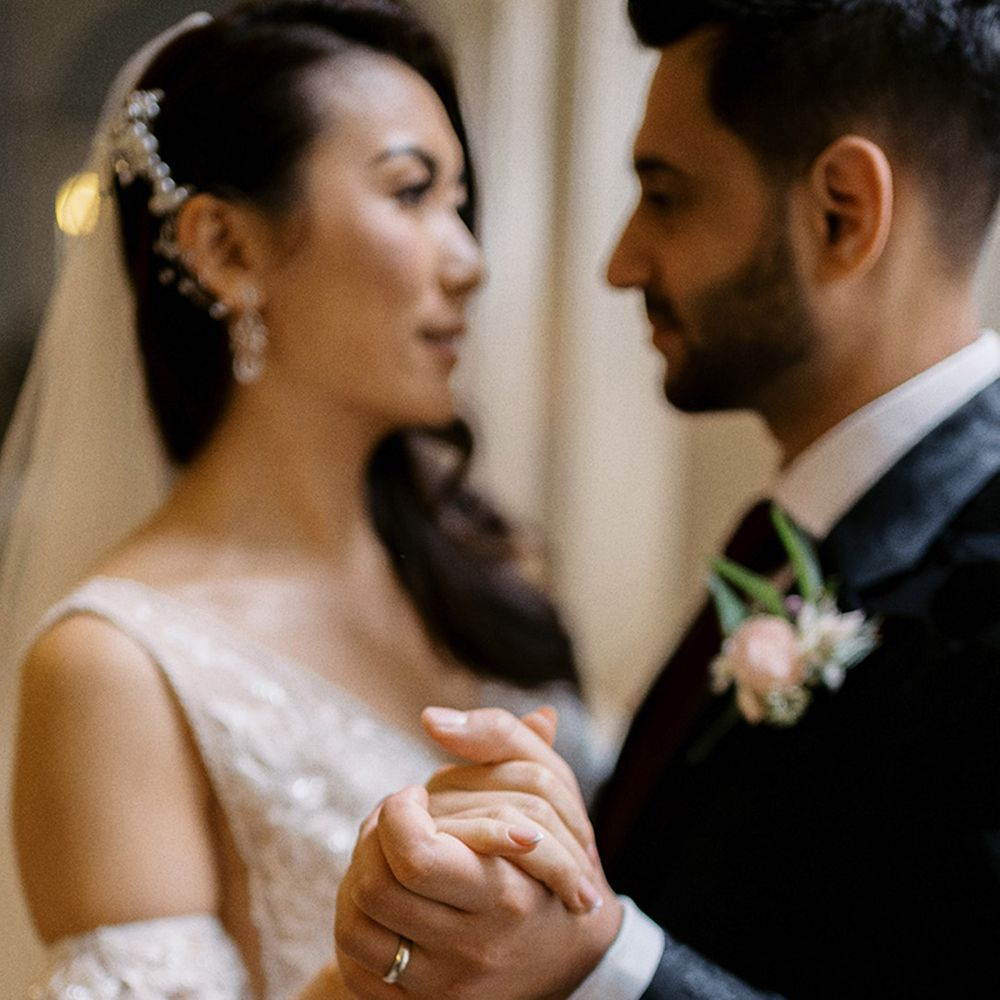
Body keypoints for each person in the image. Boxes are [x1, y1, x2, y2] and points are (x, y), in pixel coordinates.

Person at [333, 1, 1000, 997]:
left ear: (841, 213)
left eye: (666, 195)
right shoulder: (792, 541)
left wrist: (601, 966)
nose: (621, 261)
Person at [0, 2, 607, 996]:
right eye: (411, 194)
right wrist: (392, 962)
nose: (468, 259)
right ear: (226, 251)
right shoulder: (114, 663)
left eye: (461, 204)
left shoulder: (476, 565)